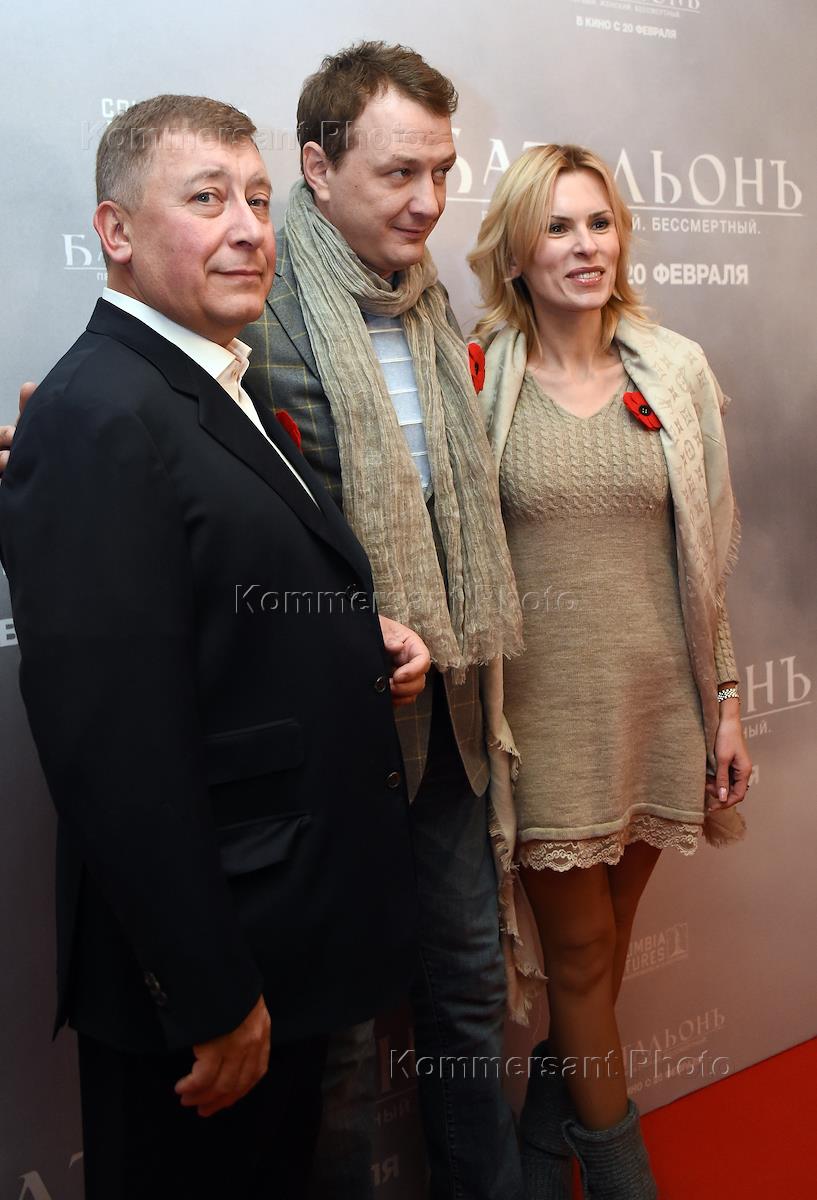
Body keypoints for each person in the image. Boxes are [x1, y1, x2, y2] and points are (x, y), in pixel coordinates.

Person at [0, 94, 432, 1200]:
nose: (248, 227)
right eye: (205, 199)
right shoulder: (99, 414)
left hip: (281, 935)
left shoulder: (202, 380)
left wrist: (352, 641)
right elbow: (111, 747)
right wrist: (208, 992)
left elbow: (209, 611)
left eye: (257, 197)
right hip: (208, 980)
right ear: (115, 231)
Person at [240, 43, 525, 1200]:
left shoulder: (430, 298)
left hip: (449, 712)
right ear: (317, 167)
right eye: (399, 172)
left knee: (469, 994)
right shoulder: (252, 307)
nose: (427, 200)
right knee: (345, 1039)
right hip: (331, 734)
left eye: (441, 171)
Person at [468, 144, 752, 1199]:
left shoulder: (672, 369)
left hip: (658, 703)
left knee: (607, 948)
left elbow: (704, 560)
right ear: (515, 253)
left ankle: (540, 1154)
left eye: (599, 223)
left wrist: (726, 702)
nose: (585, 246)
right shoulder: (477, 377)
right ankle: (624, 1179)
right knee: (582, 957)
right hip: (541, 720)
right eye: (557, 227)